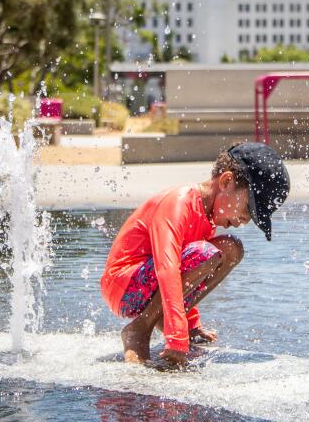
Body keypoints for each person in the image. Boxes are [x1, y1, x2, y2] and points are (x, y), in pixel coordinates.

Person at [100, 141, 290, 368]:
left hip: (147, 284)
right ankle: (138, 330)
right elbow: (167, 267)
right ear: (226, 181)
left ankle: (159, 318)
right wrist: (177, 337)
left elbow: (185, 270)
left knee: (231, 250)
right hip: (123, 285)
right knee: (207, 253)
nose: (245, 220)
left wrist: (190, 323)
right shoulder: (179, 202)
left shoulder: (208, 215)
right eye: (249, 209)